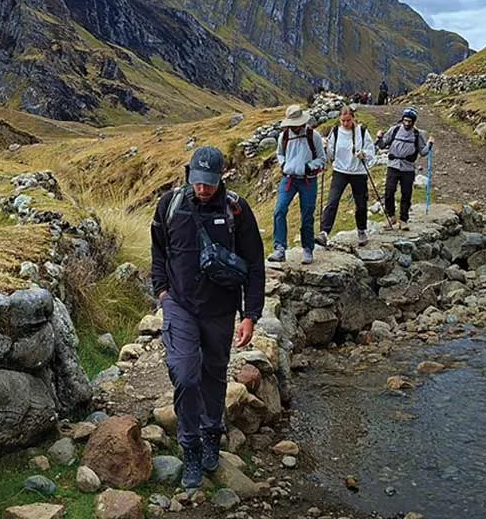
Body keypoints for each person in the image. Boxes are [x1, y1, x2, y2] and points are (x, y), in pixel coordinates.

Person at [150, 146, 266, 489]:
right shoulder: (170, 205)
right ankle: (190, 448)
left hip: (220, 310)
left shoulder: (236, 210)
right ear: (189, 175)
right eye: (198, 182)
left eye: (210, 183)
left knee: (213, 376)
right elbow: (158, 249)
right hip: (180, 306)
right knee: (185, 375)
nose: (203, 189)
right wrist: (161, 291)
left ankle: (212, 435)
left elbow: (255, 265)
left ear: (221, 178)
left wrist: (250, 315)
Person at [268, 105, 327, 264]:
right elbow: (280, 153)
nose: (295, 127)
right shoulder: (284, 136)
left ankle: (307, 249)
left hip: (308, 180)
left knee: (307, 214)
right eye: (292, 124)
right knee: (279, 210)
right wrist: (283, 164)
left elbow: (322, 158)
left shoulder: (313, 136)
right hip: (289, 179)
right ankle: (280, 248)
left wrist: (309, 167)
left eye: (297, 124)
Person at [317, 105, 375, 247]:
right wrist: (325, 148)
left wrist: (364, 154)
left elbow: (371, 151)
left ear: (353, 118)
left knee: (361, 204)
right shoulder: (335, 132)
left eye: (348, 120)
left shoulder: (362, 132)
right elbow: (331, 155)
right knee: (332, 201)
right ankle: (324, 232)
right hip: (340, 171)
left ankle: (361, 231)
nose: (345, 123)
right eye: (343, 120)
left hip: (358, 172)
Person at [375, 106, 434, 231]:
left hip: (408, 168)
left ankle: (404, 220)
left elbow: (423, 152)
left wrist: (429, 144)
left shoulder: (417, 134)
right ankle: (391, 217)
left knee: (406, 194)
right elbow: (382, 145)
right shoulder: (395, 130)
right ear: (402, 119)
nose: (407, 123)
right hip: (393, 165)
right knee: (389, 192)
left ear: (414, 122)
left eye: (409, 121)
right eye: (405, 120)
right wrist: (379, 137)